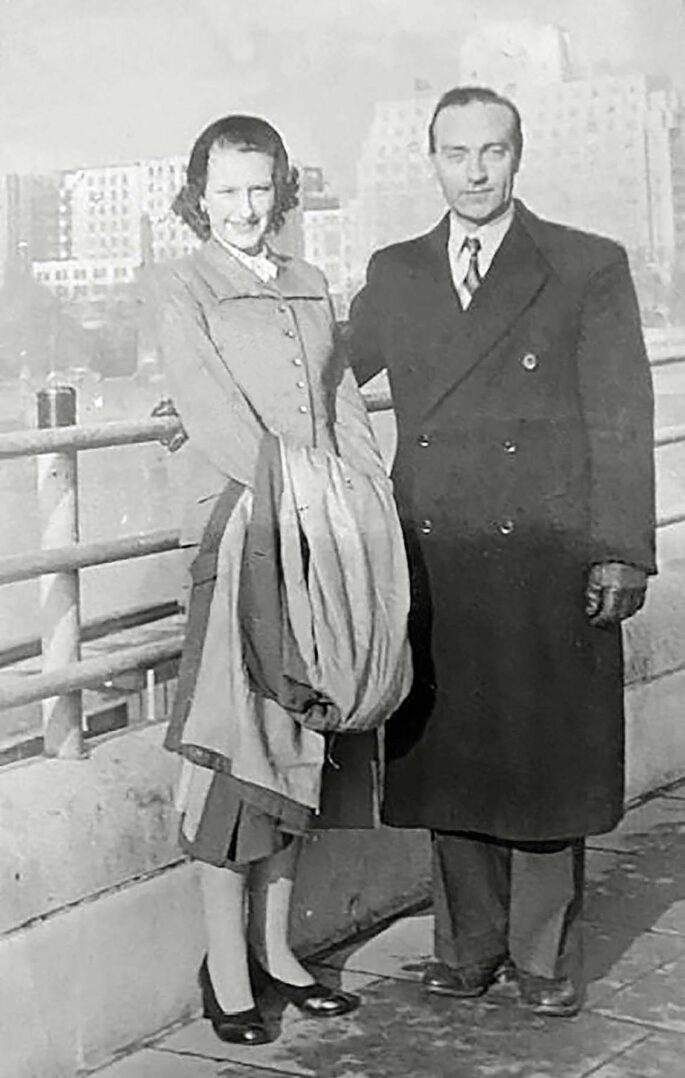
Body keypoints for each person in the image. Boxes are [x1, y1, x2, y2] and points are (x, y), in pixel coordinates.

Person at [347, 85, 656, 1018]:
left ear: (518, 158)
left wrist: (619, 552)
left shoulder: (582, 265)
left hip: (548, 555)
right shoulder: (396, 271)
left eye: (491, 152)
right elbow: (324, 366)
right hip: (437, 549)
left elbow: (621, 417)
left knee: (544, 760)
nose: (474, 172)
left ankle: (541, 959)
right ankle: (466, 946)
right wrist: (200, 402)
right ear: (430, 161)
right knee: (452, 756)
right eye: (455, 153)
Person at [155, 114, 410, 1046]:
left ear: (283, 191)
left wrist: (365, 507)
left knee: (306, 737)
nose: (245, 208)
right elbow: (214, 414)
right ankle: (225, 965)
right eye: (225, 191)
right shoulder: (180, 284)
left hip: (320, 533)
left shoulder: (307, 284)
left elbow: (340, 405)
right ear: (198, 196)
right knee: (239, 753)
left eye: (260, 188)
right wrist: (300, 495)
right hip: (248, 533)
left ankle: (278, 951)